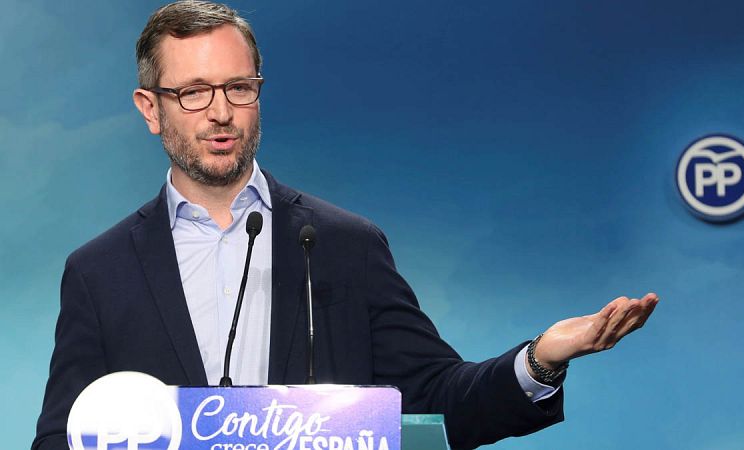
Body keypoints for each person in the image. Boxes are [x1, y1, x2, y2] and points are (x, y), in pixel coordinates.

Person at [32, 2, 659, 449]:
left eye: (238, 87)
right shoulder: (99, 273)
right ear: (151, 109)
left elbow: (438, 400)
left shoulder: (343, 246)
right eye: (194, 92)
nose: (221, 112)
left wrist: (539, 360)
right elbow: (63, 437)